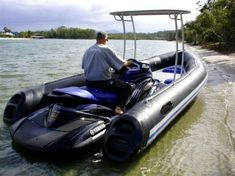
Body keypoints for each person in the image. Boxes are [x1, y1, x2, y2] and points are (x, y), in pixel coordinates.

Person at [82, 31, 133, 114]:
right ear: (106, 39)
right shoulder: (105, 49)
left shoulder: (89, 49)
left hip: (88, 82)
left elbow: (84, 66)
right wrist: (129, 62)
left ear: (96, 39)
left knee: (114, 80)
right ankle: (119, 108)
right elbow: (121, 63)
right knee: (127, 87)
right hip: (103, 83)